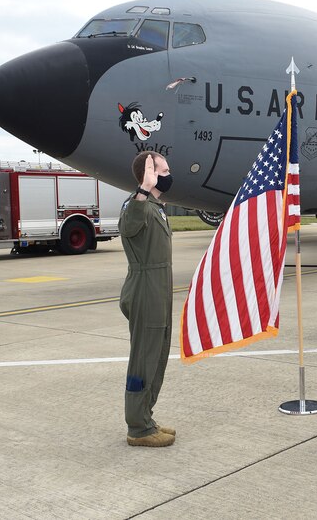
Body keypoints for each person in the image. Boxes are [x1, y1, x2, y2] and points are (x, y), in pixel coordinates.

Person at [120, 152, 176, 447]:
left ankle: (146, 417)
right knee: (143, 360)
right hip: (145, 289)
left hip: (159, 288)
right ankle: (137, 428)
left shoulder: (156, 207)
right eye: (162, 170)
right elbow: (129, 227)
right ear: (148, 174)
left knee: (157, 356)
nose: (168, 175)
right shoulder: (136, 204)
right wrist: (143, 189)